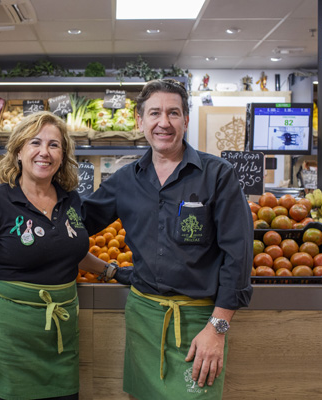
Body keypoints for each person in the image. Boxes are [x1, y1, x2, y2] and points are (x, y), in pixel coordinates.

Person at [80, 79, 253, 399]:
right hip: (143, 319)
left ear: (186, 120)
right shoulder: (125, 180)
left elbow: (239, 256)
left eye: (173, 113)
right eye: (154, 113)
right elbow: (78, 223)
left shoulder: (218, 174)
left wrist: (217, 329)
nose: (164, 122)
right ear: (140, 121)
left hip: (200, 323)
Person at [0, 111, 111, 400]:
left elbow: (67, 251)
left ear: (63, 155)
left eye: (54, 145)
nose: (45, 152)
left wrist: (110, 270)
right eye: (35, 143)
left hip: (59, 337)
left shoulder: (70, 199)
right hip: (9, 338)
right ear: (18, 151)